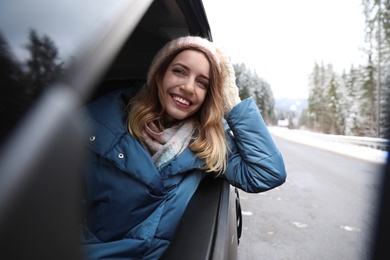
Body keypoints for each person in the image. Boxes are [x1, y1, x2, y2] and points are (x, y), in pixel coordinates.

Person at [80, 36, 286, 259]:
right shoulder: (96, 125)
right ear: (159, 74)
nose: (188, 87)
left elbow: (267, 173)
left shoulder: (208, 144)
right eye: (179, 71)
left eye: (202, 83)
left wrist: (232, 103)